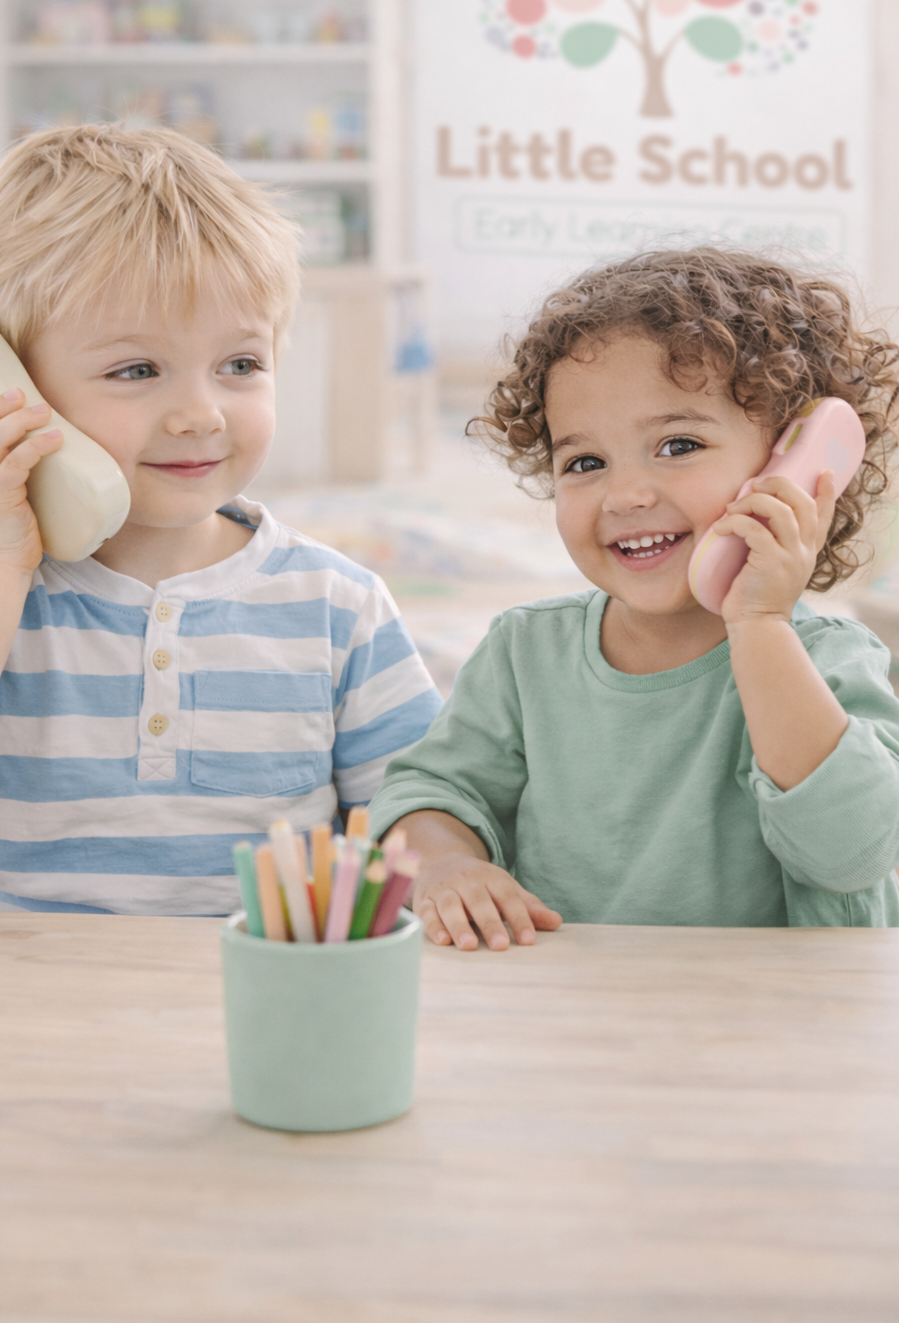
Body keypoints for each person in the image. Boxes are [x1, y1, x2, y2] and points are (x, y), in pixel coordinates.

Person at [0, 125, 441, 912]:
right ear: (4, 383)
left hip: (255, 1009)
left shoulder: (335, 604)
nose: (201, 413)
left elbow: (416, 820)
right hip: (8, 1016)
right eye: (136, 370)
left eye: (241, 365)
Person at [370, 247, 899, 944]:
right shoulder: (525, 653)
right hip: (577, 1012)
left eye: (678, 445)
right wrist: (442, 865)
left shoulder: (831, 662)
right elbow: (429, 794)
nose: (625, 495)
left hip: (774, 1028)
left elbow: (851, 852)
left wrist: (761, 624)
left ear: (791, 471)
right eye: (584, 462)